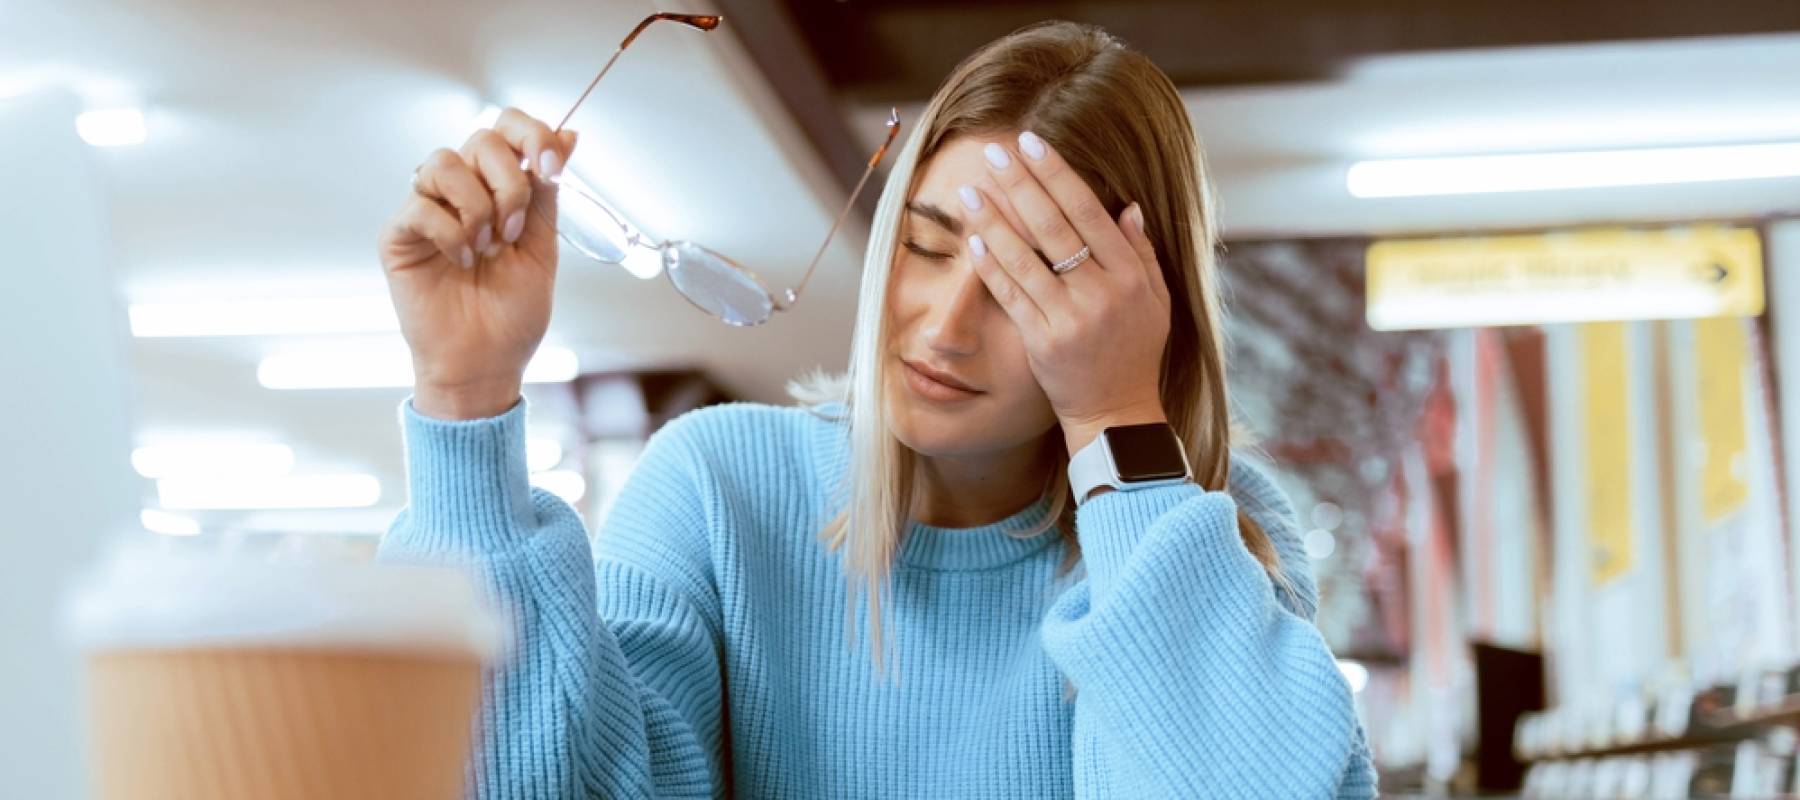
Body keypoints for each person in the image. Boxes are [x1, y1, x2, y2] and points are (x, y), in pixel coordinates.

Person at [376, 19, 1377, 799]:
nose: (945, 327)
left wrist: (1120, 424)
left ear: (1134, 312)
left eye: (1031, 287)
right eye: (929, 247)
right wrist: (466, 397)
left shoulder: (1205, 525)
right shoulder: (718, 486)